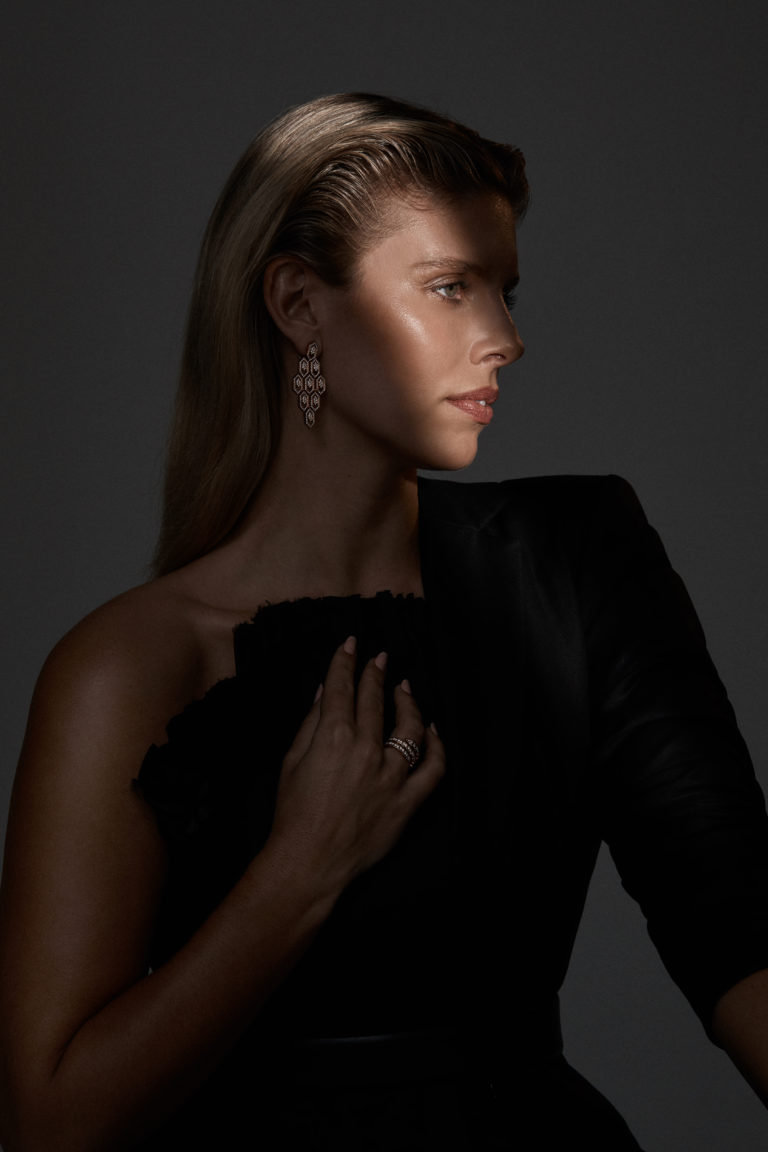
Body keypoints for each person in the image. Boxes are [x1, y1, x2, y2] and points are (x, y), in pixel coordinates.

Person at [1, 92, 767, 1152]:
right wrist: (300, 871)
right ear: (298, 304)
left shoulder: (573, 563)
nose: (506, 339)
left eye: (504, 291)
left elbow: (732, 924)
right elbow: (50, 1122)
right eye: (451, 287)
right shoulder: (132, 666)